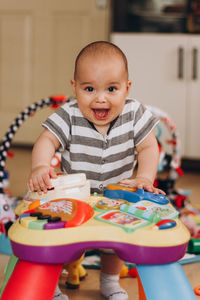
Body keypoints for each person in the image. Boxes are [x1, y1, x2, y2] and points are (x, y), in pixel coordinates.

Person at [28, 41, 165, 300]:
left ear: (127, 88)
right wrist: (40, 165)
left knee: (114, 242)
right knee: (63, 241)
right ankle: (53, 285)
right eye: (89, 88)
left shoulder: (135, 113)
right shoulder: (68, 114)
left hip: (117, 196)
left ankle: (110, 282)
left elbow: (148, 147)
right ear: (74, 87)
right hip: (73, 198)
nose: (100, 97)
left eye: (111, 89)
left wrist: (145, 177)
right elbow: (47, 140)